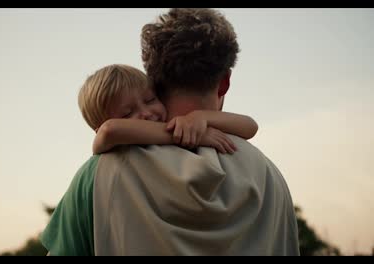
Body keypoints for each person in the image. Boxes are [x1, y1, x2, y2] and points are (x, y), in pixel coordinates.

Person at [40, 63, 259, 255]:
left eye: (150, 99)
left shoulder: (188, 125)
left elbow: (250, 125)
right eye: (127, 114)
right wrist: (182, 135)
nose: (146, 113)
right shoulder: (110, 151)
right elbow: (108, 131)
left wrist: (199, 118)